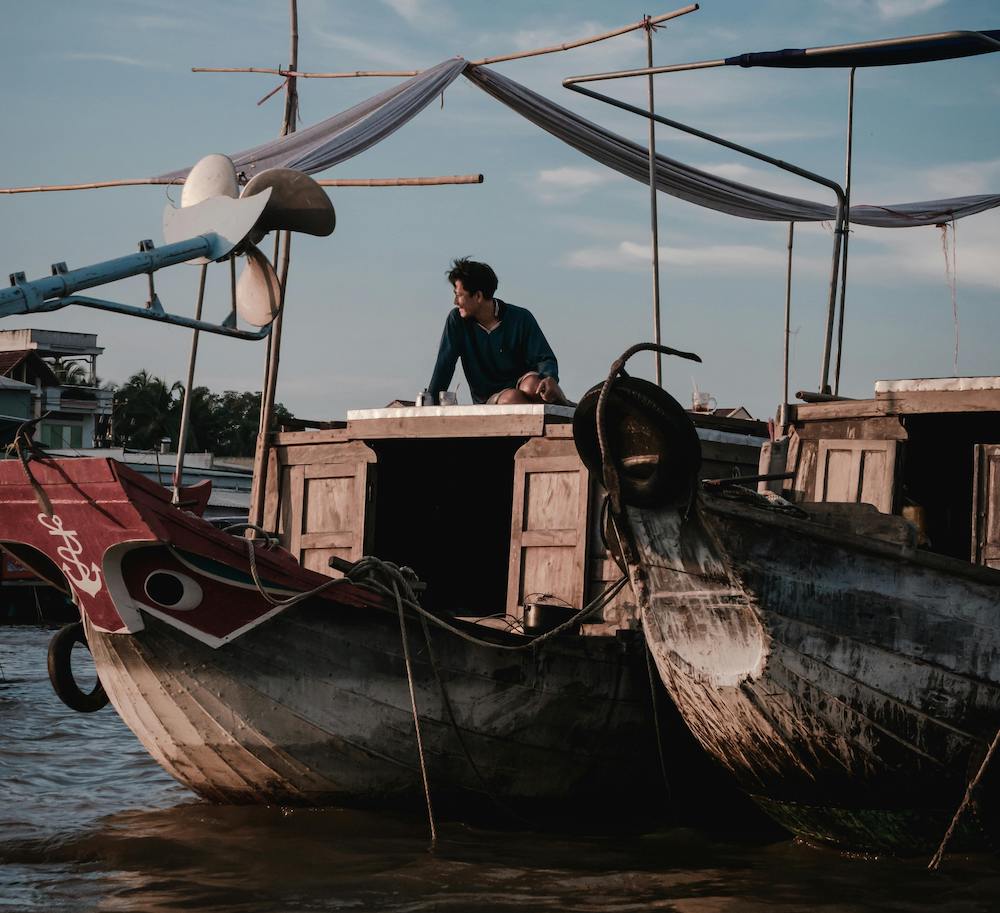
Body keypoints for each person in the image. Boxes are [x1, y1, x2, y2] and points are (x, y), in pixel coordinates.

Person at [426, 258, 570, 406]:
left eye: (459, 295)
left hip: (524, 383)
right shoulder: (457, 321)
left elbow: (544, 358)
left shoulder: (520, 318)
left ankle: (566, 408)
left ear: (478, 296)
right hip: (491, 398)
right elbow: (445, 365)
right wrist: (430, 400)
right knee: (511, 398)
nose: (455, 301)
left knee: (533, 385)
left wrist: (549, 377)